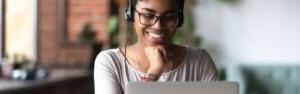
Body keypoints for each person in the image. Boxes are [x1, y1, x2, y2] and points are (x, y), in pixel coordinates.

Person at [94, 0, 219, 94]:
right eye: (148, 16)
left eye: (169, 17)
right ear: (131, 15)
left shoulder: (200, 61)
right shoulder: (110, 62)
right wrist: (154, 72)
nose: (158, 26)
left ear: (179, 20)